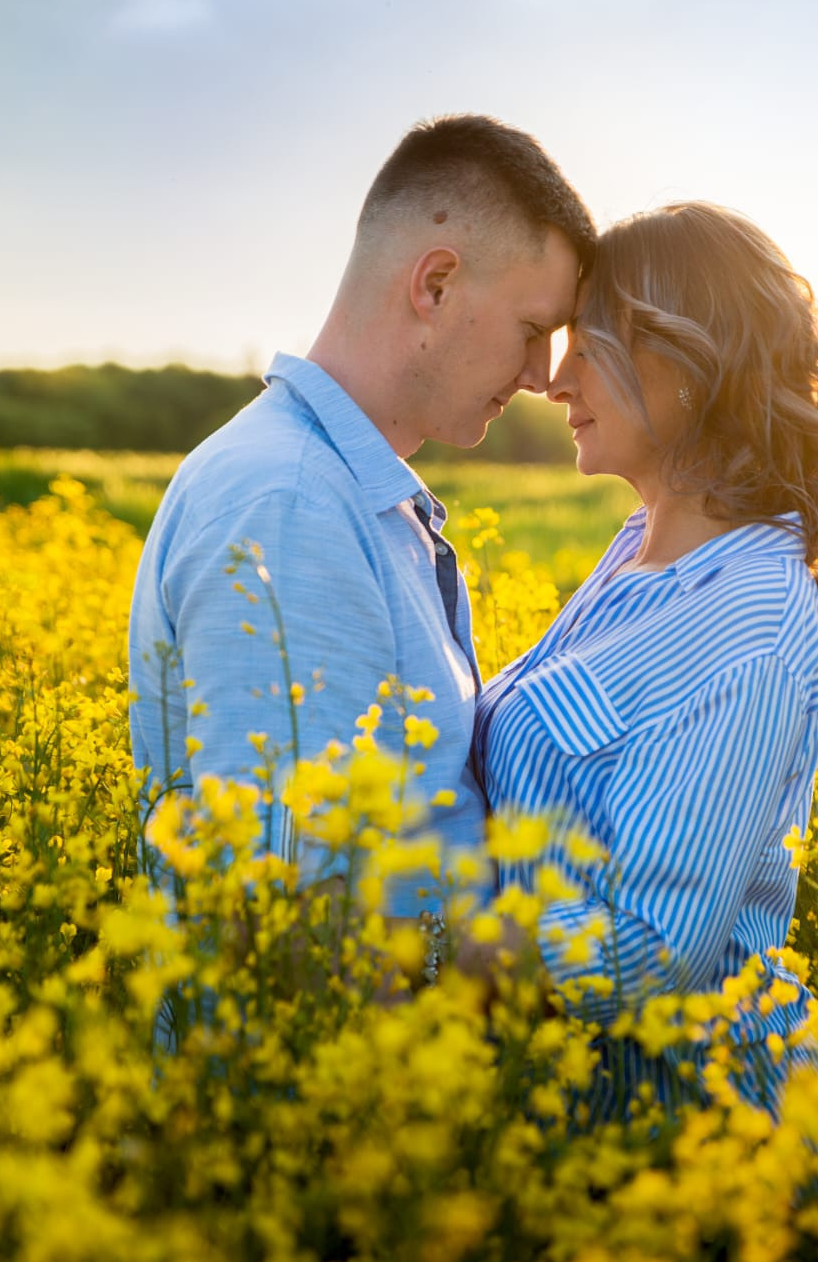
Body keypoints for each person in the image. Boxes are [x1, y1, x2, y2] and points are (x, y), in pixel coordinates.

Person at [473, 201, 818, 1118]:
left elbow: (641, 954)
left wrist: (408, 932)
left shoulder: (748, 625)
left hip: (696, 1144)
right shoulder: (644, 548)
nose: (555, 378)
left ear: (688, 363)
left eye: (591, 342)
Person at [129, 114, 596, 915]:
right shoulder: (291, 506)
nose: (536, 376)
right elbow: (288, 917)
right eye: (531, 330)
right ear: (435, 284)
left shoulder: (341, 490)